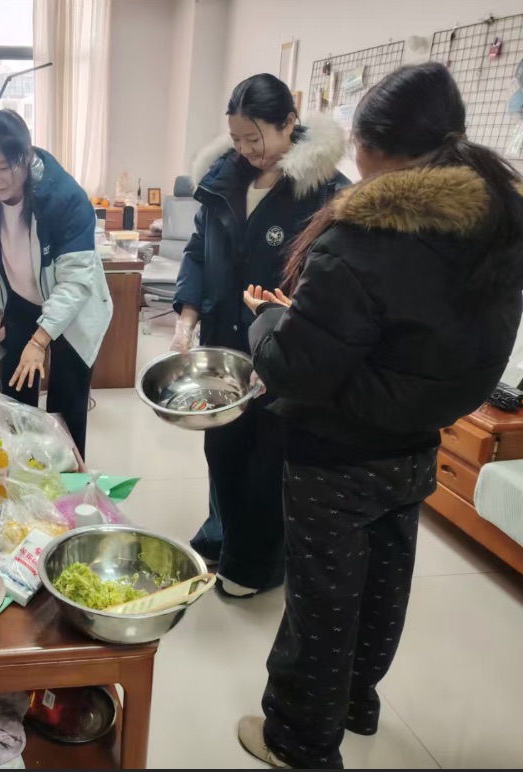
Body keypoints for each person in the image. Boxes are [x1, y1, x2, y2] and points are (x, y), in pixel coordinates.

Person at [238, 62, 523, 769]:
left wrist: (266, 324)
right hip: (416, 446)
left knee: (323, 601)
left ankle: (300, 740)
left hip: (338, 454)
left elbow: (295, 367)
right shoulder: (495, 222)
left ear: (372, 146)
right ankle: (356, 702)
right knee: (383, 585)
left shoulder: (366, 238)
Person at [171, 74, 348, 597]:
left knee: (267, 460)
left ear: (289, 122)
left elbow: (331, 281)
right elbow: (198, 254)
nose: (247, 150)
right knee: (223, 446)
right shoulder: (224, 180)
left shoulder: (324, 192)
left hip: (281, 347)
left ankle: (255, 566)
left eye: (256, 138)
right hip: (224, 339)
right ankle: (223, 533)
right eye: (237, 139)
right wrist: (185, 321)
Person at [0, 109, 112, 458]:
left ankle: (66, 478)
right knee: (16, 399)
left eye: (4, 168)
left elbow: (75, 282)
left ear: (26, 157)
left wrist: (40, 340)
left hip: (73, 308)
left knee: (66, 405)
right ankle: (20, 470)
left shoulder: (64, 198)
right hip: (20, 301)